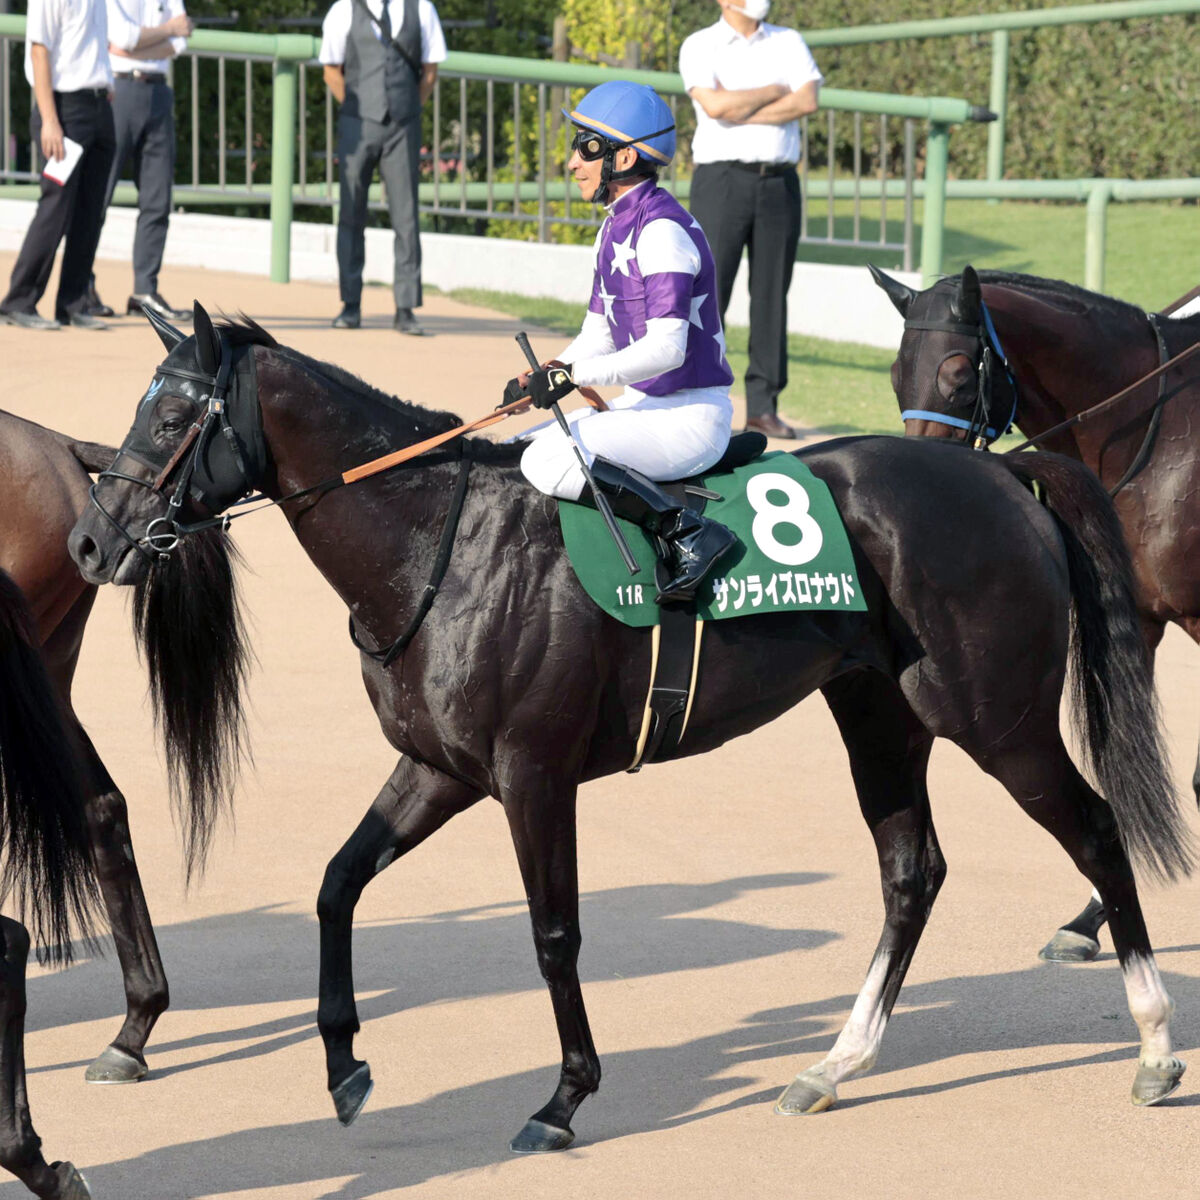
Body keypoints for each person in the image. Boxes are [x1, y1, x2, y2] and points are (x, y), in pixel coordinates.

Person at [508, 80, 737, 606]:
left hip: (689, 419)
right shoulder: (614, 227)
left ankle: (684, 530)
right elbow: (599, 332)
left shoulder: (662, 232)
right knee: (510, 450)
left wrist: (574, 377)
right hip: (646, 408)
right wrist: (547, 371)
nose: (573, 162)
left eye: (588, 147)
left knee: (545, 462)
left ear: (626, 155)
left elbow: (667, 350)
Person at [679, 0, 822, 439]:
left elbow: (808, 100)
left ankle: (763, 407)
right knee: (709, 293)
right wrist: (777, 89)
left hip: (778, 183)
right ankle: (693, 397)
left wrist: (742, 106)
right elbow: (716, 107)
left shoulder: (789, 40)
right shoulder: (700, 44)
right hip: (721, 181)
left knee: (772, 296)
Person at [319, 0, 446, 335]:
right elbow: (331, 68)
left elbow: (430, 70)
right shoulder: (344, 8)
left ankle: (405, 309)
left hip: (403, 126)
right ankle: (350, 305)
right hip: (357, 125)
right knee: (350, 214)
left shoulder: (422, 9)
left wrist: (408, 108)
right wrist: (356, 106)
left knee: (406, 216)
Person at [0, 0, 115, 330]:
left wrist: (107, 83)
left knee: (91, 211)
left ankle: (74, 302)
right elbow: (39, 51)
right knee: (56, 206)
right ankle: (18, 300)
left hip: (98, 104)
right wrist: (50, 119)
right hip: (64, 109)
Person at [86, 0, 194, 322]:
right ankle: (81, 286)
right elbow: (124, 35)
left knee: (158, 199)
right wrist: (163, 33)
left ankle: (145, 290)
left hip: (159, 93)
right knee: (97, 196)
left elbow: (181, 38)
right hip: (118, 89)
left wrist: (135, 47)